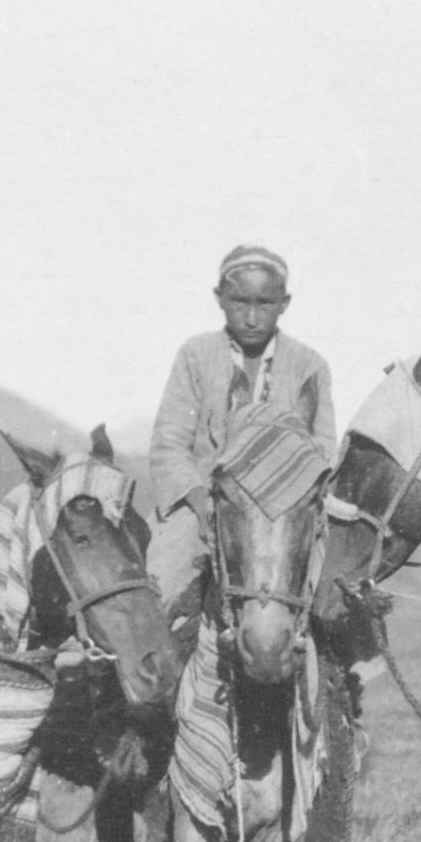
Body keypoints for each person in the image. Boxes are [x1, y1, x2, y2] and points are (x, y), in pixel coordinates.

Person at [146, 244, 335, 635]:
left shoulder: (308, 365)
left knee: (332, 592)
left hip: (283, 510)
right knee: (162, 579)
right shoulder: (196, 356)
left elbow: (322, 450)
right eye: (239, 302)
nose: (251, 317)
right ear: (219, 299)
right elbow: (169, 444)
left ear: (284, 303)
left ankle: (337, 677)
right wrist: (202, 505)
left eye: (264, 304)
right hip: (205, 501)